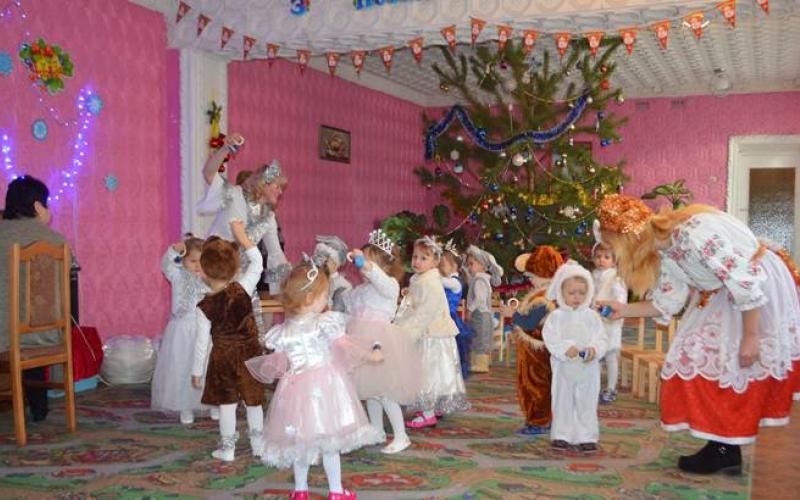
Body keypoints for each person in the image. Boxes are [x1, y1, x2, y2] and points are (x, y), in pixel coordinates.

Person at [595, 194, 800, 474]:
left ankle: (724, 449)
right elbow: (667, 302)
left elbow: (745, 282)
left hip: (754, 290)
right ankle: (723, 447)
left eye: (612, 248)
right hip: (726, 292)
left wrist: (751, 337)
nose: (614, 256)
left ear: (628, 240)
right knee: (694, 357)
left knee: (722, 362)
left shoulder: (693, 234)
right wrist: (622, 310)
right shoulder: (665, 250)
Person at [250, 260, 383, 500]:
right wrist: (370, 355)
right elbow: (346, 346)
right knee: (329, 442)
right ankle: (336, 492)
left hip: (293, 390)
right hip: (325, 387)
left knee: (300, 443)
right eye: (324, 296)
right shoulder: (323, 323)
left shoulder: (283, 331)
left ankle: (300, 491)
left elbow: (278, 363)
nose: (326, 301)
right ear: (310, 298)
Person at [191, 220, 266, 462]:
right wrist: (242, 237)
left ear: (203, 271)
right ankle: (259, 445)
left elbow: (201, 343)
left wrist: (197, 371)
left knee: (227, 404)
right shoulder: (243, 287)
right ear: (234, 269)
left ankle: (228, 450)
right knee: (254, 402)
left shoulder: (204, 307)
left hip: (223, 359)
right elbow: (258, 262)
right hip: (250, 355)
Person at [341, 229, 419, 454]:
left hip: (380, 342)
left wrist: (362, 261)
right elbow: (349, 312)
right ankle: (376, 431)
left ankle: (401, 435)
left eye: (369, 262)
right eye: (362, 263)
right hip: (361, 343)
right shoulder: (360, 290)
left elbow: (376, 276)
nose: (362, 267)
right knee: (370, 392)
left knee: (384, 392)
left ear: (383, 265)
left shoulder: (390, 285)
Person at [0, 176, 68, 422]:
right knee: (30, 322)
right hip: (42, 334)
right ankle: (39, 409)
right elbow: (72, 267)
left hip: (4, 336)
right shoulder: (56, 242)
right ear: (38, 206)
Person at [197, 134, 290, 295]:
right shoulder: (234, 194)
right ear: (264, 184)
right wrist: (225, 149)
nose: (280, 192)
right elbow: (209, 173)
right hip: (213, 273)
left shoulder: (268, 217)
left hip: (242, 281)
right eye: (277, 187)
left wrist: (284, 289)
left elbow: (275, 255)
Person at [396, 236, 469, 428]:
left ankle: (428, 413)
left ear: (435, 261)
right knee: (433, 372)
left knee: (427, 372)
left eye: (423, 258)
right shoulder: (419, 279)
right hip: (426, 332)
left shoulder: (431, 281)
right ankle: (433, 408)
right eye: (415, 257)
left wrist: (407, 330)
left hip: (432, 334)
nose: (417, 262)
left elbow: (427, 311)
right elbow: (414, 304)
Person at [542, 261, 606, 453]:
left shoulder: (592, 317)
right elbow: (550, 337)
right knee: (563, 400)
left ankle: (587, 436)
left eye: (582, 293)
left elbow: (601, 338)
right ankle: (562, 434)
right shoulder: (556, 317)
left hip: (588, 369)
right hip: (564, 369)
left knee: (586, 402)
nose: (577, 297)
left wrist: (594, 349)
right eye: (572, 293)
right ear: (561, 293)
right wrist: (564, 348)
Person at [503, 246, 564, 436]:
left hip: (536, 353)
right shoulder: (551, 293)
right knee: (544, 384)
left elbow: (529, 323)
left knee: (535, 386)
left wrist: (513, 315)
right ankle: (546, 419)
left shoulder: (543, 297)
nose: (530, 281)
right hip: (540, 350)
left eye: (532, 276)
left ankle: (539, 421)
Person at [151, 236, 209, 424]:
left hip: (204, 330)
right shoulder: (177, 275)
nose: (197, 266)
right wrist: (174, 251)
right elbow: (166, 265)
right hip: (181, 329)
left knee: (205, 366)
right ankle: (184, 406)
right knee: (182, 366)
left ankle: (209, 403)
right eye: (193, 261)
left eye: (202, 261)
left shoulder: (208, 280)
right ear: (183, 260)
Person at [591, 242, 627, 404]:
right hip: (595, 321)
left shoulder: (616, 278)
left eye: (606, 257)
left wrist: (607, 304)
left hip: (610, 321)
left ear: (614, 261)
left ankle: (611, 388)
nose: (601, 260)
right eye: (598, 257)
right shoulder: (593, 276)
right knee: (597, 355)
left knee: (611, 356)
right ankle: (595, 387)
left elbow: (620, 299)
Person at [464, 245, 503, 373]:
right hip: (482, 315)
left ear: (482, 265)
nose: (469, 268)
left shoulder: (479, 280)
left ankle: (481, 364)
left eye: (471, 264)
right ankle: (477, 362)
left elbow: (479, 299)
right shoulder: (480, 279)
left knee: (480, 338)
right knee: (478, 338)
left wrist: (469, 309)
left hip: (480, 315)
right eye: (468, 265)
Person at [440, 240, 473, 380]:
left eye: (442, 264)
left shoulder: (455, 282)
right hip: (440, 317)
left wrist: (430, 273)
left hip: (450, 319)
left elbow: (441, 282)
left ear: (454, 266)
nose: (439, 267)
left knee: (451, 347)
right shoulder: (447, 279)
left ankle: (451, 372)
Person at [312, 235, 352, 312]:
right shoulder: (312, 278)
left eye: (325, 260)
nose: (320, 262)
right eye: (318, 257)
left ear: (335, 264)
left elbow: (336, 313)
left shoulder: (342, 285)